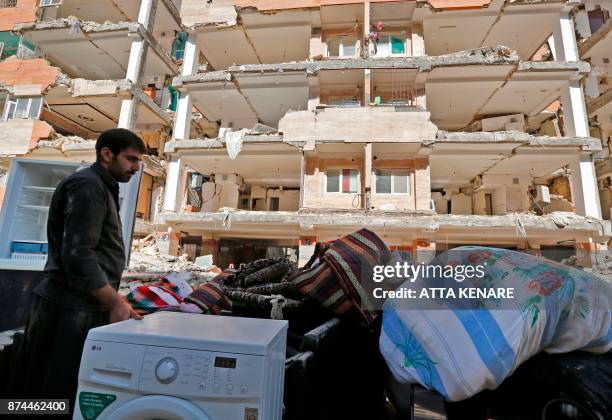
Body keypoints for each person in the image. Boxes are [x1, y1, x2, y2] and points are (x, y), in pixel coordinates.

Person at [17, 128, 145, 414]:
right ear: (106, 154)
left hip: (80, 306)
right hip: (67, 309)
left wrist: (116, 300)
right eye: (131, 159)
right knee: (48, 396)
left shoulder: (102, 184)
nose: (136, 167)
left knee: (60, 392)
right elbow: (79, 255)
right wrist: (115, 302)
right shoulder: (87, 186)